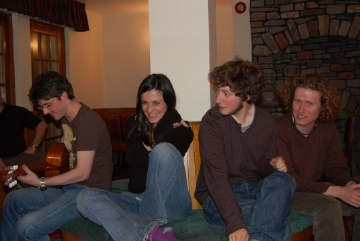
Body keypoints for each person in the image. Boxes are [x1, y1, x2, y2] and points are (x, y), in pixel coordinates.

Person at [76, 73, 194, 241]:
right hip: (136, 200)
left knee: (163, 150)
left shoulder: (182, 131)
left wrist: (173, 115)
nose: (149, 109)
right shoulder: (133, 124)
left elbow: (159, 138)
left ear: (169, 102)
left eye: (156, 103)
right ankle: (150, 234)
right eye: (144, 103)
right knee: (85, 198)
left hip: (172, 205)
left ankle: (148, 223)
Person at [0, 71, 113, 240]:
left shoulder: (87, 123)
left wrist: (42, 182)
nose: (45, 112)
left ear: (63, 95)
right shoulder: (66, 118)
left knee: (27, 226)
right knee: (13, 199)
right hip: (70, 188)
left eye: (48, 104)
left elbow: (83, 172)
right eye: (42, 107)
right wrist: (21, 172)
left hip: (89, 194)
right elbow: (65, 153)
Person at [194, 58, 296, 241]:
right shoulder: (212, 122)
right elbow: (217, 179)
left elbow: (263, 171)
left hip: (256, 190)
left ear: (247, 95)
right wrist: (235, 223)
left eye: (226, 93)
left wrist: (271, 166)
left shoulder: (266, 123)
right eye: (218, 90)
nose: (218, 99)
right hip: (218, 199)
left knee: (284, 180)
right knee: (277, 218)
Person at [276, 73, 360, 241]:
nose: (301, 110)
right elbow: (290, 179)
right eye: (297, 101)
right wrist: (339, 192)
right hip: (285, 192)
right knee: (329, 206)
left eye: (309, 104)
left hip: (312, 187)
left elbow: (335, 168)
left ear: (322, 107)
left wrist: (350, 186)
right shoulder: (279, 129)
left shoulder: (326, 127)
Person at [0, 97, 48, 169]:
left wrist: (33, 147)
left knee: (49, 160)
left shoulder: (15, 111)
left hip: (19, 158)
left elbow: (42, 125)